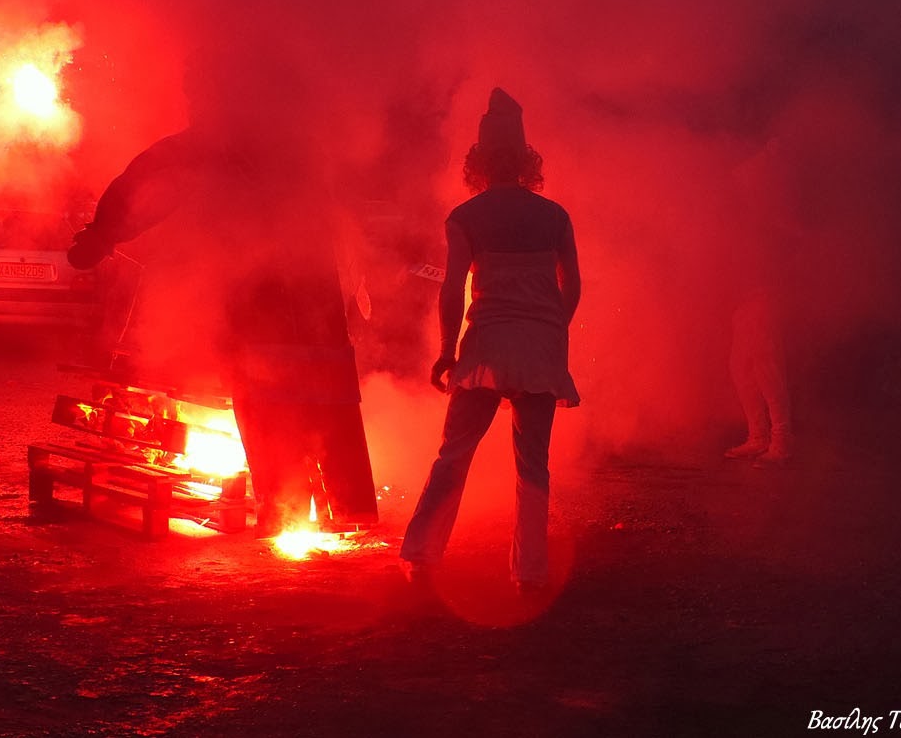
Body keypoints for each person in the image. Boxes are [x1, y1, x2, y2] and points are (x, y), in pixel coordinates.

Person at [66, 49, 378, 537]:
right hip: (315, 289)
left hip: (262, 293)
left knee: (266, 392)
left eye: (196, 90)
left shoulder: (214, 142)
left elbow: (149, 181)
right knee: (329, 399)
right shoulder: (296, 141)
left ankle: (286, 515)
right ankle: (351, 512)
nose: (192, 100)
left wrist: (101, 236)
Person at [399, 88, 581, 592]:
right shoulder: (555, 215)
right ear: (526, 161)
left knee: (454, 453)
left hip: (487, 347)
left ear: (479, 161)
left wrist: (446, 351)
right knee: (533, 465)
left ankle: (421, 559)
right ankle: (530, 574)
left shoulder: (466, 216)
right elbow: (574, 288)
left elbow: (453, 287)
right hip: (541, 350)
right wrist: (549, 329)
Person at [720, 153, 793, 467]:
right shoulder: (746, 221)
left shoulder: (771, 219)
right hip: (744, 305)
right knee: (741, 371)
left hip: (762, 301)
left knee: (768, 372)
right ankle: (759, 437)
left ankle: (781, 442)